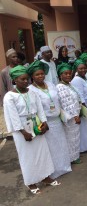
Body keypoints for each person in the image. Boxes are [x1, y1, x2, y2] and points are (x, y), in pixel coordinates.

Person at [3, 65, 60, 195]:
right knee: (27, 155)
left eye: (27, 79)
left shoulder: (32, 92)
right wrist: (23, 132)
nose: (26, 81)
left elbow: (39, 108)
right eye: (22, 79)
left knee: (42, 151)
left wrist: (44, 122)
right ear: (14, 80)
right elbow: (13, 116)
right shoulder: (9, 97)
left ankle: (45, 177)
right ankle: (31, 182)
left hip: (36, 123)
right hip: (22, 129)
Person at [27, 61, 72, 179]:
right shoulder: (30, 90)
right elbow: (32, 109)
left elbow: (58, 100)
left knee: (61, 145)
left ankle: (64, 167)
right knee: (51, 148)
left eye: (42, 73)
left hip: (57, 120)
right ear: (32, 76)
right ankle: (53, 171)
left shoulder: (50, 84)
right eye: (37, 74)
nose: (41, 76)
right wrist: (41, 123)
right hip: (46, 123)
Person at [56, 63, 82, 164]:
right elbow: (67, 104)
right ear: (60, 75)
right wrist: (75, 116)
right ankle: (72, 158)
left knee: (75, 137)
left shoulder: (69, 85)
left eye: (69, 73)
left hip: (75, 114)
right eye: (65, 73)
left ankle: (75, 156)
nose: (68, 75)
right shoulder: (60, 87)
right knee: (71, 138)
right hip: (71, 117)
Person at [71, 60, 87, 152]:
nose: (83, 70)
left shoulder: (85, 77)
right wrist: (84, 108)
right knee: (85, 128)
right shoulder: (77, 80)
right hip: (85, 107)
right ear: (76, 69)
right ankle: (84, 147)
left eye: (84, 68)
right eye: (80, 68)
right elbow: (80, 95)